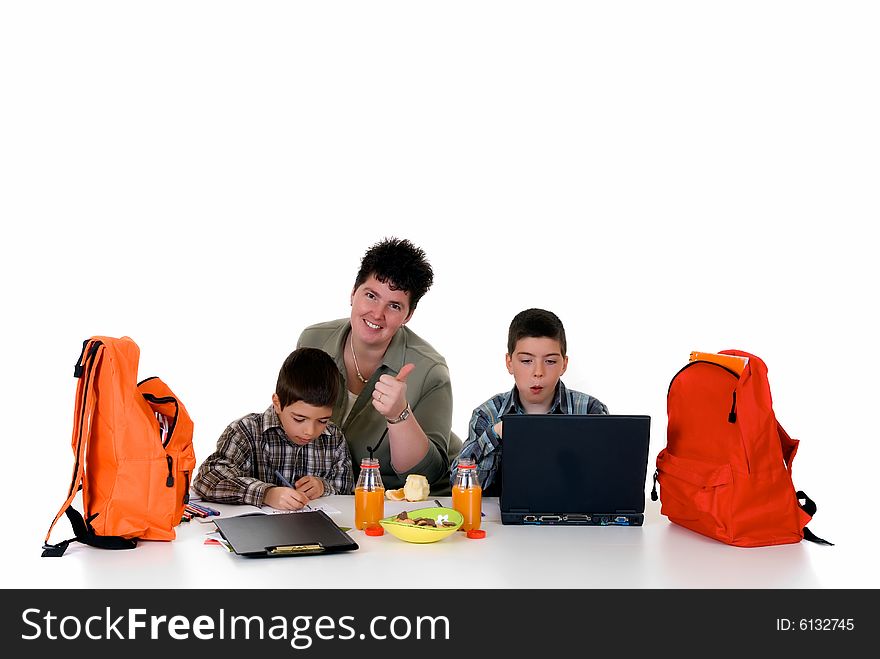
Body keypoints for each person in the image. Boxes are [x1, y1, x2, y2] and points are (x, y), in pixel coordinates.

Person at [297, 237, 460, 495]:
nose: (377, 314)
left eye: (394, 306)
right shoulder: (313, 341)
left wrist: (399, 415)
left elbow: (427, 475)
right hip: (331, 496)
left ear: (408, 315)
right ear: (353, 293)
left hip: (403, 505)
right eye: (371, 296)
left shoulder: (431, 370)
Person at [451, 308, 608, 496]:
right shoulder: (488, 414)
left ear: (564, 365)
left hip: (572, 519)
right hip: (505, 523)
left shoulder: (591, 411)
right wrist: (495, 434)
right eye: (526, 361)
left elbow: (604, 483)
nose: (538, 372)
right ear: (509, 362)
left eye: (550, 361)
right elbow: (462, 487)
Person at [192, 347, 354, 509]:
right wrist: (266, 493)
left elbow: (348, 491)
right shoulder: (246, 431)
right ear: (277, 403)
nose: (310, 431)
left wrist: (323, 487)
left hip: (314, 530)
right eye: (299, 419)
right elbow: (207, 479)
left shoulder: (334, 438)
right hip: (255, 531)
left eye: (322, 421)